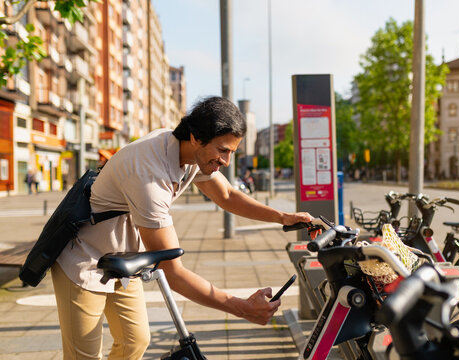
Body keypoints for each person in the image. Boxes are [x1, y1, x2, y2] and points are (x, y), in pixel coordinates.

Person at [52, 96, 313, 359]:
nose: (227, 161)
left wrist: (284, 217)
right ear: (196, 138)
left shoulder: (185, 151)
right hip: (84, 260)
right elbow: (172, 271)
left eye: (232, 152)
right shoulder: (149, 174)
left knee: (135, 342)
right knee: (84, 355)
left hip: (123, 258)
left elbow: (227, 195)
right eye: (223, 150)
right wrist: (242, 308)